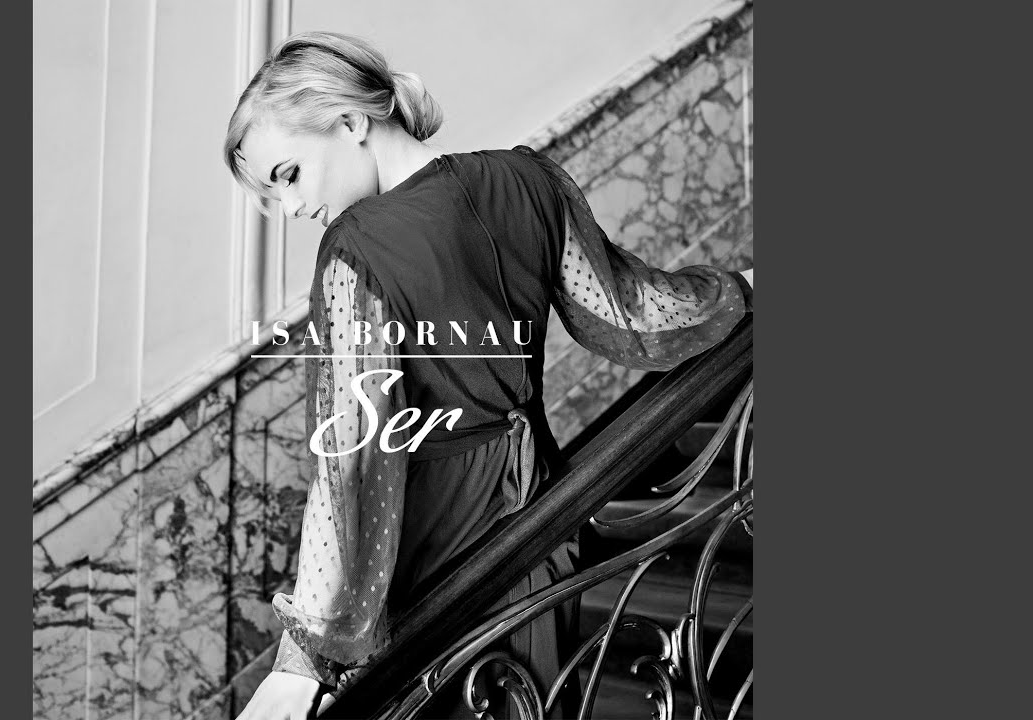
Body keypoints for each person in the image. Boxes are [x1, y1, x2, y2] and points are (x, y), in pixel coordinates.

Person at [224, 31, 753, 720]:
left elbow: (352, 458)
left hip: (431, 552)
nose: (291, 208)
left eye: (289, 175)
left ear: (351, 122)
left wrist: (305, 657)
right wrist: (739, 289)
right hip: (543, 519)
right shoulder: (530, 181)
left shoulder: (356, 252)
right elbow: (634, 317)